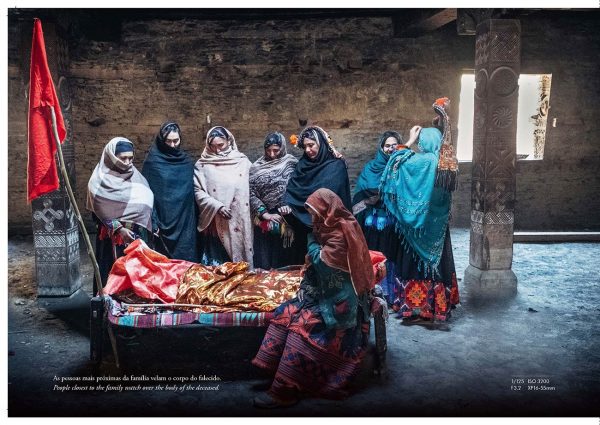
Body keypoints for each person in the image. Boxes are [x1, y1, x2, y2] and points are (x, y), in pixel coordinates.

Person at [252, 188, 374, 408]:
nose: (312, 218)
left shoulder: (342, 231)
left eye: (315, 212)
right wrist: (306, 286)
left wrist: (312, 243)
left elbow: (322, 263)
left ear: (327, 211)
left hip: (343, 299)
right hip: (324, 292)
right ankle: (277, 374)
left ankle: (285, 390)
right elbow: (314, 269)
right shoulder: (325, 230)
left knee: (303, 325)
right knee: (284, 312)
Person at [379, 122, 460, 322]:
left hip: (416, 231)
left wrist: (409, 140)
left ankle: (414, 306)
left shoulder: (420, 162)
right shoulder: (445, 162)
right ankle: (438, 305)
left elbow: (395, 163)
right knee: (439, 266)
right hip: (438, 228)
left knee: (413, 265)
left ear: (423, 142)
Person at [87, 137, 154, 295]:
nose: (128, 162)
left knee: (137, 275)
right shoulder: (98, 182)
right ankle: (110, 306)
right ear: (111, 156)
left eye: (130, 158)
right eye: (123, 158)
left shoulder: (137, 177)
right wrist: (119, 230)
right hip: (113, 240)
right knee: (113, 274)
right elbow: (98, 214)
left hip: (138, 236)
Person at [280, 126, 351, 257]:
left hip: (329, 231)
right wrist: (288, 205)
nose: (308, 150)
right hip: (302, 229)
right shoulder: (303, 165)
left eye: (311, 145)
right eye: (305, 146)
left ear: (321, 144)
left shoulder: (336, 166)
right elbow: (293, 189)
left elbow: (329, 198)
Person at [193, 126, 253, 267]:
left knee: (240, 257)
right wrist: (216, 206)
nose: (218, 150)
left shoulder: (242, 162)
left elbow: (253, 188)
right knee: (219, 263)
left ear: (229, 141)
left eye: (221, 145)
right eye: (213, 147)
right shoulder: (202, 165)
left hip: (239, 217)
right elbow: (198, 191)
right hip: (216, 220)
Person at [142, 121, 199, 262]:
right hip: (163, 220)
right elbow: (147, 192)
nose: (173, 145)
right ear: (162, 141)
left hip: (185, 220)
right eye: (169, 141)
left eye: (176, 141)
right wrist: (154, 221)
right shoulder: (152, 162)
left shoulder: (185, 161)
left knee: (186, 258)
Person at [249, 131, 302, 269]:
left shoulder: (292, 164)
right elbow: (251, 193)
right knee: (266, 259)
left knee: (287, 259)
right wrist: (264, 214)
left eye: (276, 150)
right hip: (266, 221)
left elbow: (299, 187)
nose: (272, 154)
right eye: (268, 150)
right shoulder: (255, 167)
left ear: (282, 148)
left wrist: (291, 205)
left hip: (289, 218)